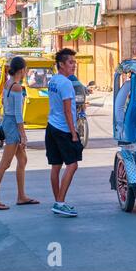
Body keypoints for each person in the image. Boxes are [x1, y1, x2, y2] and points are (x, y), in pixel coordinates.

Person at [0, 56, 40, 210]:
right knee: (5, 163)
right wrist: (23, 135)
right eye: (26, 69)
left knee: (22, 160)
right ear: (22, 70)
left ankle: (21, 196)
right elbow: (18, 114)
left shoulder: (8, 84)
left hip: (7, 123)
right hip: (13, 126)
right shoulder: (17, 87)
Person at [45, 48, 83, 217]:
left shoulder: (53, 80)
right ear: (61, 64)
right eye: (70, 62)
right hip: (63, 129)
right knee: (72, 165)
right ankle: (60, 202)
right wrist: (74, 133)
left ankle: (58, 202)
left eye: (74, 62)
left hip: (52, 126)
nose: (73, 65)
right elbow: (68, 111)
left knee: (56, 166)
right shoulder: (66, 83)